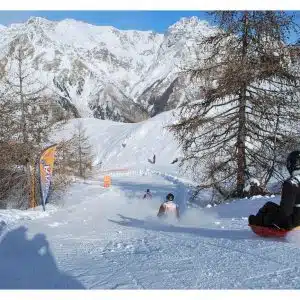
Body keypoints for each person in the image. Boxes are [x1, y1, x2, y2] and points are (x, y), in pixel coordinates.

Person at [248, 150, 300, 230]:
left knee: (268, 208)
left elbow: (286, 211)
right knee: (270, 206)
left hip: (293, 223)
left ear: (291, 164)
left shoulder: (291, 183)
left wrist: (272, 221)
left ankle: (257, 222)